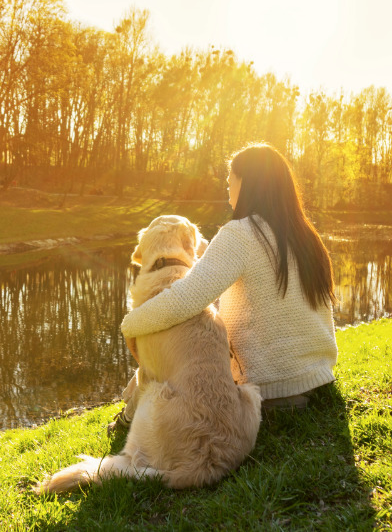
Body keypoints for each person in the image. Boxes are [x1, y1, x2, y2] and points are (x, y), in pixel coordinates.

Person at [118, 143, 338, 421]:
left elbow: (183, 300)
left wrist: (131, 323)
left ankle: (129, 415)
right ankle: (132, 397)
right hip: (319, 379)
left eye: (229, 180)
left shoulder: (240, 234)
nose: (227, 189)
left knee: (178, 339)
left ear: (247, 183)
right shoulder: (304, 235)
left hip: (270, 392)